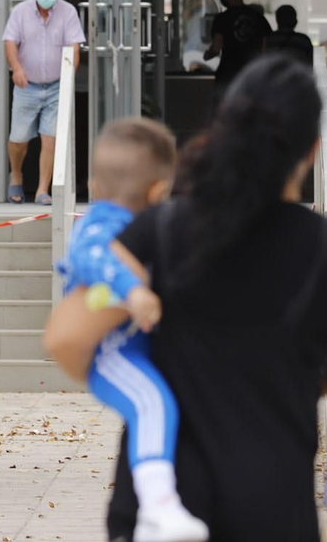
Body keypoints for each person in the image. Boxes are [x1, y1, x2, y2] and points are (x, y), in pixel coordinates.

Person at [44, 56, 327, 542]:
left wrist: (132, 360)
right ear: (310, 149)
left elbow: (66, 339)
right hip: (275, 510)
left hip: (162, 513)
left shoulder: (157, 232)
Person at [54, 118, 209, 542]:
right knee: (151, 404)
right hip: (112, 353)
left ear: (93, 181)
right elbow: (93, 257)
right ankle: (159, 505)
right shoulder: (101, 224)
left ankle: (151, 515)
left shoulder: (120, 222)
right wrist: (133, 291)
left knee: (154, 406)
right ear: (159, 192)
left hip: (129, 350)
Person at [2, 0, 83, 204]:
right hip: (27, 86)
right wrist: (16, 68)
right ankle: (15, 175)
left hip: (56, 86)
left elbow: (74, 47)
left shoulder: (68, 12)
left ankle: (42, 190)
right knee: (19, 139)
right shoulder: (20, 12)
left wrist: (69, 77)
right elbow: (9, 42)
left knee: (51, 139)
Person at [201, 0, 270, 93]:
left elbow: (216, 49)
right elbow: (265, 49)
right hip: (251, 77)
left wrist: (207, 55)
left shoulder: (222, 19)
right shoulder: (258, 17)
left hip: (228, 78)